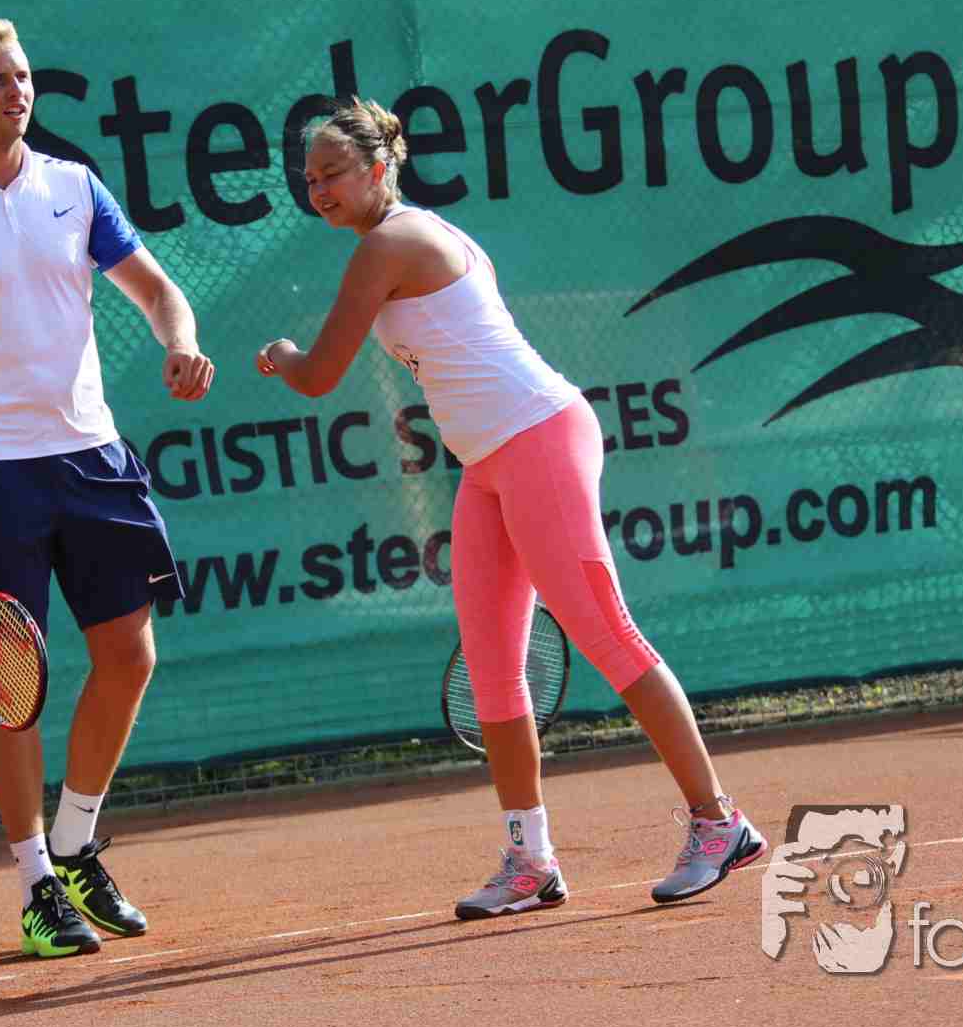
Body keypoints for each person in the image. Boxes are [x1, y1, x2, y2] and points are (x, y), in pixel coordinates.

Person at [256, 98, 762, 920]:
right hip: (487, 465)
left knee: (607, 632)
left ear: (378, 168)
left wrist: (282, 355)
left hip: (539, 439)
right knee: (493, 664)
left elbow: (316, 374)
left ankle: (719, 822)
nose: (317, 190)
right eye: (308, 178)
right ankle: (530, 860)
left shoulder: (390, 243)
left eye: (332, 173)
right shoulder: (417, 234)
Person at [0, 18, 215, 959]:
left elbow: (158, 291)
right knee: (11, 689)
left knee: (130, 656)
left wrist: (180, 341)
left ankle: (75, 841)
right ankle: (35, 884)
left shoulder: (76, 187)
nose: (17, 92)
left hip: (92, 455)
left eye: (23, 76)